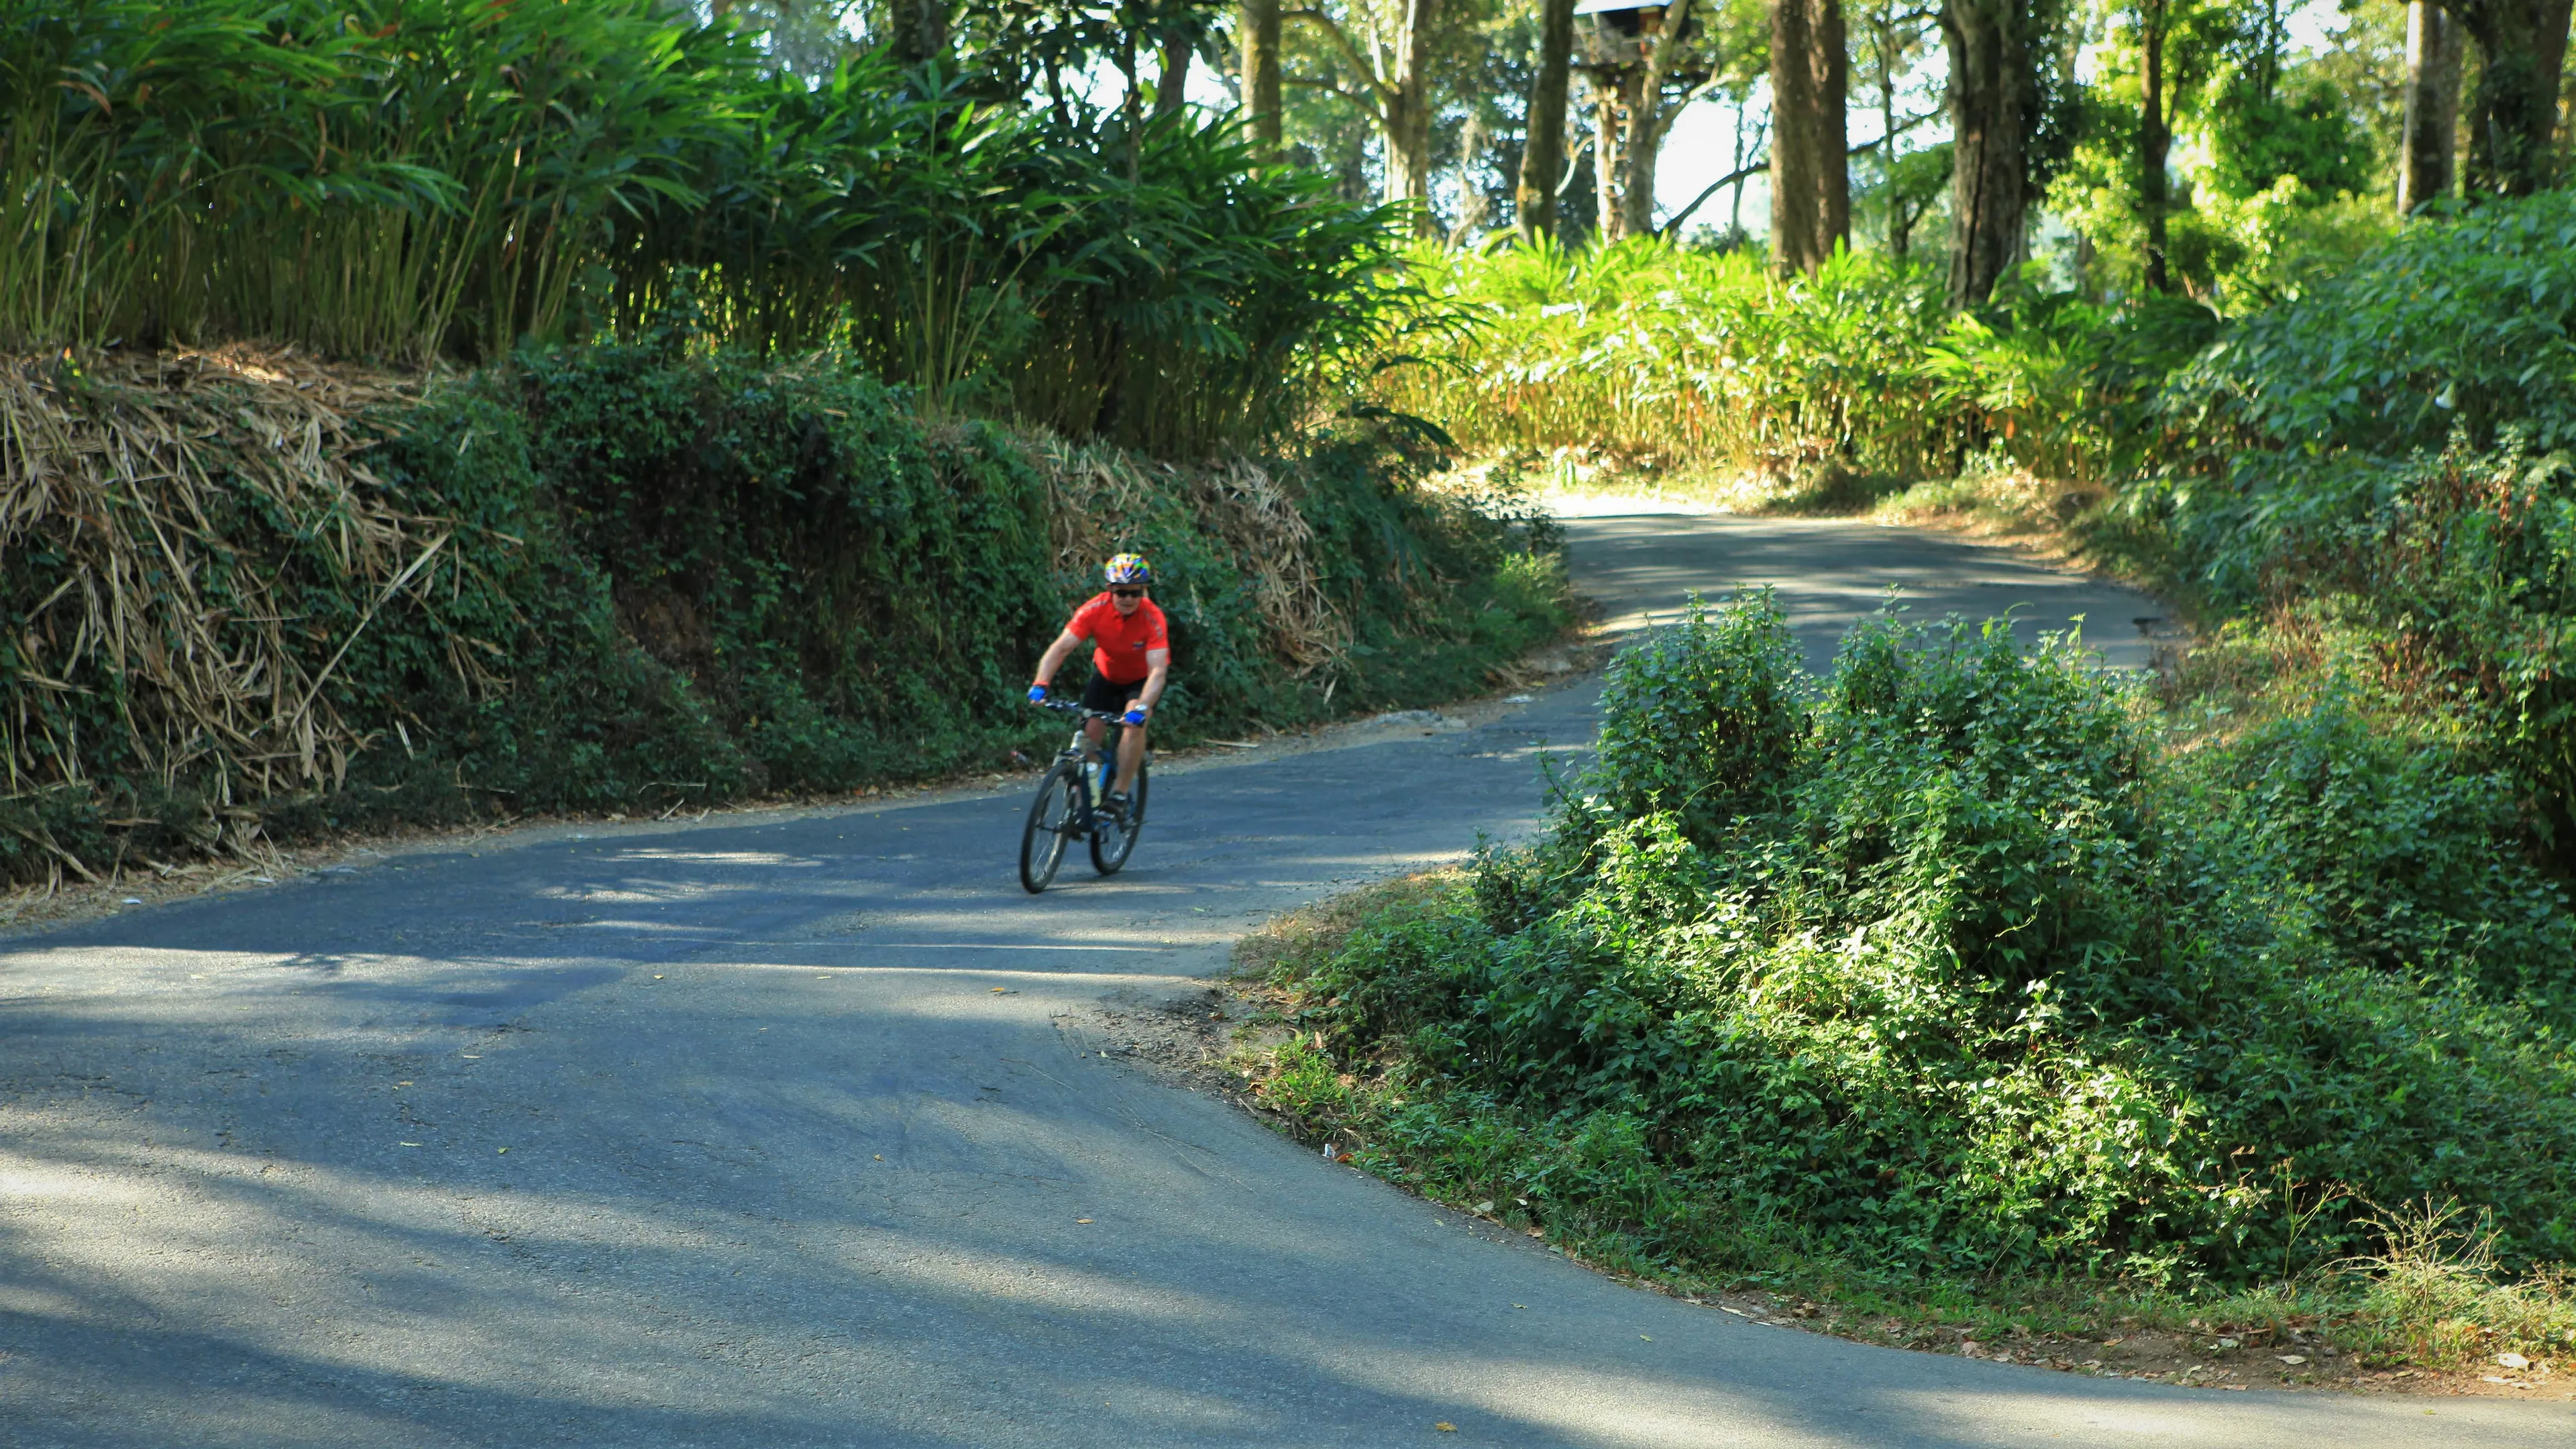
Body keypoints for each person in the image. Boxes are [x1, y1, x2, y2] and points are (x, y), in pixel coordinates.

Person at [1028, 553, 1168, 819]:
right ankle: (1084, 806)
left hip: (1139, 682)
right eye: (1121, 592)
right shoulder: (1093, 610)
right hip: (1106, 677)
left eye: (1134, 592)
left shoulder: (1153, 619)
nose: (1127, 599)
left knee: (1133, 725)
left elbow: (1158, 672)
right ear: (1109, 590)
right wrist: (1040, 683)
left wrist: (1142, 707)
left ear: (1144, 591)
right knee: (1088, 739)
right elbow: (1060, 649)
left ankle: (1119, 794)